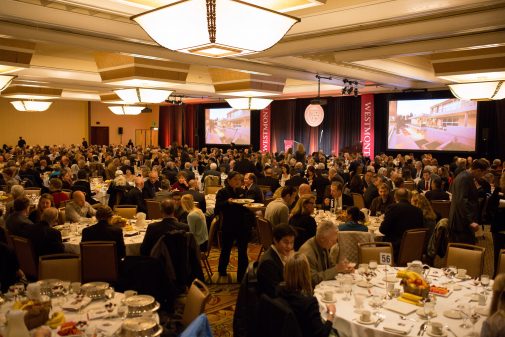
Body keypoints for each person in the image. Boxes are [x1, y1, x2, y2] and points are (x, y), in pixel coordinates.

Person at [277, 253, 336, 337]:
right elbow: (322, 334)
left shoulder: (279, 291)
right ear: (306, 273)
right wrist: (331, 314)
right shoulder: (309, 303)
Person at [215, 171, 255, 281]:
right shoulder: (222, 192)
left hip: (242, 225)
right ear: (228, 180)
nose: (238, 182)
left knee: (243, 251)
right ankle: (222, 270)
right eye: (235, 179)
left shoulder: (242, 191)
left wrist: (250, 206)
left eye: (239, 179)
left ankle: (242, 276)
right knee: (226, 249)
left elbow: (246, 206)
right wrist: (227, 202)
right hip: (229, 224)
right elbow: (217, 208)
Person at [299, 220, 354, 286]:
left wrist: (343, 269)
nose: (335, 244)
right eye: (332, 241)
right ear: (322, 238)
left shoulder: (323, 245)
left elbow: (330, 266)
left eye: (335, 241)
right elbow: (312, 279)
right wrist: (336, 269)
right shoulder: (308, 253)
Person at [448, 159, 489, 244]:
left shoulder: (465, 176)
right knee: (463, 250)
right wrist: (470, 221)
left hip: (461, 221)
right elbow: (462, 202)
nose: (483, 176)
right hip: (461, 223)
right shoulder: (465, 178)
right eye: (484, 173)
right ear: (478, 170)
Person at [379, 188, 424, 259]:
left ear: (395, 197)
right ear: (408, 197)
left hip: (394, 248)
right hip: (414, 248)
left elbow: (382, 230)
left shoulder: (392, 208)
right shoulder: (418, 211)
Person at [257, 224, 296, 297]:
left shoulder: (280, 254)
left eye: (292, 242)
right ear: (275, 240)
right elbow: (274, 291)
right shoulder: (268, 263)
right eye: (286, 242)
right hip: (274, 302)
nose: (289, 247)